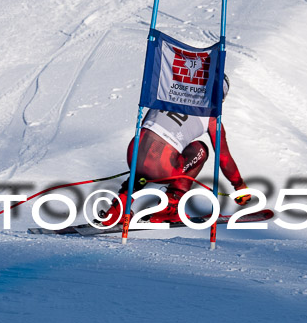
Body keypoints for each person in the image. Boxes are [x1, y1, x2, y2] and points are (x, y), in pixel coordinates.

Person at [99, 74, 250, 225]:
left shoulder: (167, 95)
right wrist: (239, 185)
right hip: (162, 167)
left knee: (147, 157)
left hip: (133, 155)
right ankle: (170, 206)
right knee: (200, 150)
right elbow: (223, 158)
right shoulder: (211, 118)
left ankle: (119, 207)